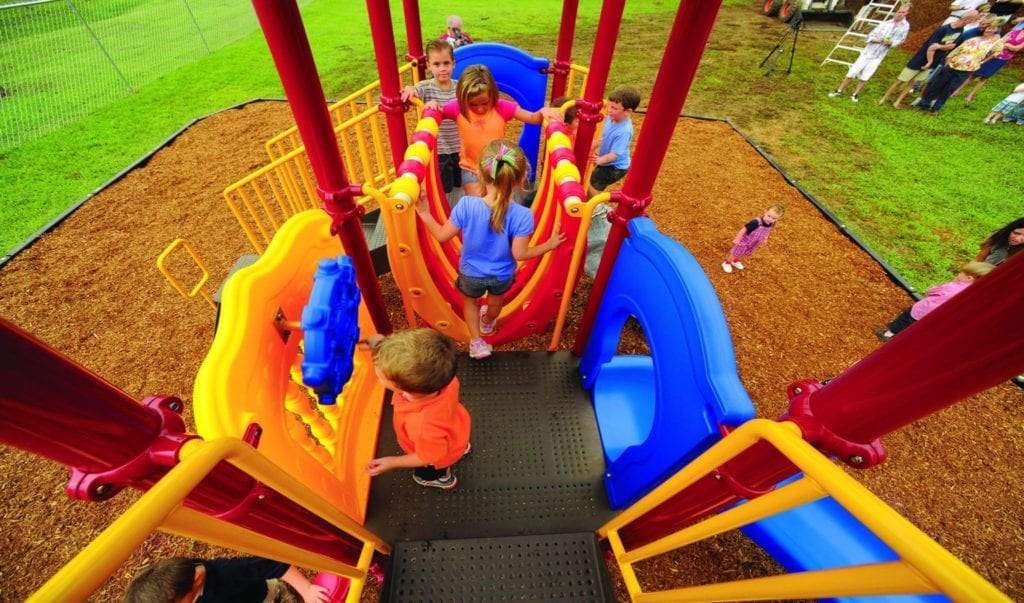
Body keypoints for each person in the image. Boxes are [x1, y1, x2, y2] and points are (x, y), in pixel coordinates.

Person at [415, 142, 565, 359]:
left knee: (471, 302)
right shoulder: (523, 215)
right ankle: (487, 323)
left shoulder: (467, 205)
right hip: (501, 275)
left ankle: (477, 342)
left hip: (471, 273)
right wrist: (549, 245)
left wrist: (424, 212)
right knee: (495, 304)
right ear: (521, 178)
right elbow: (520, 255)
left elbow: (440, 235)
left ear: (479, 174)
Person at [430, 65, 562, 197]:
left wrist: (543, 111)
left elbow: (533, 118)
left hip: (498, 165)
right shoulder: (457, 107)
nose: (480, 109)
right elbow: (438, 114)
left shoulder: (501, 107)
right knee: (478, 203)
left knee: (499, 201)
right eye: (473, 104)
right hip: (471, 168)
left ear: (492, 95)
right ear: (462, 99)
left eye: (485, 103)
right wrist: (432, 105)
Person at [365, 328, 471, 488]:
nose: (378, 378)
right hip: (456, 429)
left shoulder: (422, 425)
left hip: (437, 456)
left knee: (430, 469)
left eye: (380, 377)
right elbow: (414, 361)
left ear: (402, 388)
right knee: (450, 443)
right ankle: (461, 447)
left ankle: (440, 478)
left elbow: (426, 457)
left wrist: (392, 462)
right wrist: (380, 344)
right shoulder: (443, 378)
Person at [584, 86, 642, 277]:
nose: (610, 111)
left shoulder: (624, 130)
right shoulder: (612, 118)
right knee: (590, 183)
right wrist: (596, 144)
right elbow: (603, 136)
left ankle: (598, 210)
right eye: (610, 106)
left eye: (615, 109)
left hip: (615, 167)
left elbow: (615, 153)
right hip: (605, 160)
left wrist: (599, 160)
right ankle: (594, 205)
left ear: (628, 112)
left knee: (592, 186)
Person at [878, 10, 981, 107]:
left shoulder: (960, 30)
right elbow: (931, 47)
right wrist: (932, 58)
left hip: (934, 61)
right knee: (900, 80)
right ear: (967, 19)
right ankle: (883, 98)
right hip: (921, 58)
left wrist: (941, 48)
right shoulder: (944, 29)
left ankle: (898, 101)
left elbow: (950, 46)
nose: (974, 22)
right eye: (973, 20)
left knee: (913, 82)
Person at [124, 557, 328, 603]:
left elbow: (272, 565)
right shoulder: (184, 582)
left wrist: (307, 589)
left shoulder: (227, 573)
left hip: (264, 598)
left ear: (196, 582)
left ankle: (285, 594)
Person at [401, 40, 461, 195]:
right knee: (444, 188)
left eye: (446, 63)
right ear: (428, 65)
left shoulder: (460, 86)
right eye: (436, 64)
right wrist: (410, 89)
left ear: (453, 64)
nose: (442, 68)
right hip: (439, 149)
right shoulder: (426, 87)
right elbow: (413, 91)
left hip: (460, 146)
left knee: (460, 183)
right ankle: (446, 214)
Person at [878, 261, 994, 340]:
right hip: (933, 317)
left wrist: (931, 288)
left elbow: (933, 292)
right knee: (914, 331)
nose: (958, 274)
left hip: (922, 309)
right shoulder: (971, 294)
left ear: (969, 278)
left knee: (904, 320)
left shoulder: (953, 286)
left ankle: (888, 334)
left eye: (961, 273)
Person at [914, 21, 1004, 112]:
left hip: (968, 68)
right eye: (988, 28)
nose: (988, 30)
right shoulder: (974, 39)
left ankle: (936, 108)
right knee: (937, 84)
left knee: (950, 88)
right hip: (953, 64)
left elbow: (998, 50)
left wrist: (983, 61)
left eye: (992, 29)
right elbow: (958, 49)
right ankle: (924, 103)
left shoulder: (994, 43)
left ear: (996, 31)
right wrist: (948, 59)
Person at [828, 5, 911, 102]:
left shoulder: (905, 26)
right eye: (899, 11)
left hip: (879, 56)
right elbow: (869, 36)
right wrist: (877, 40)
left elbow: (901, 40)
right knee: (853, 72)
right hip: (868, 52)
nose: (899, 14)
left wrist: (891, 43)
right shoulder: (886, 23)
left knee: (866, 75)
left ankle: (855, 94)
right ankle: (839, 90)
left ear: (907, 13)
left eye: (903, 12)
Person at [953, 18, 1024, 103]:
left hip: (1002, 58)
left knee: (984, 77)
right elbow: (1000, 41)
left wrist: (1007, 45)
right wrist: (1006, 46)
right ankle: (957, 90)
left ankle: (970, 95)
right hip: (991, 54)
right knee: (973, 74)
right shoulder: (1013, 32)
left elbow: (1017, 48)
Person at [722, 205, 784, 273]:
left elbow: (768, 231)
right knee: (736, 253)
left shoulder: (771, 224)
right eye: (769, 216)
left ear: (778, 218)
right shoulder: (756, 222)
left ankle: (735, 261)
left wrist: (765, 239)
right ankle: (727, 263)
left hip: (754, 242)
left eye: (773, 218)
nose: (770, 219)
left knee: (744, 252)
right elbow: (744, 229)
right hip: (744, 241)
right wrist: (737, 239)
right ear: (765, 211)